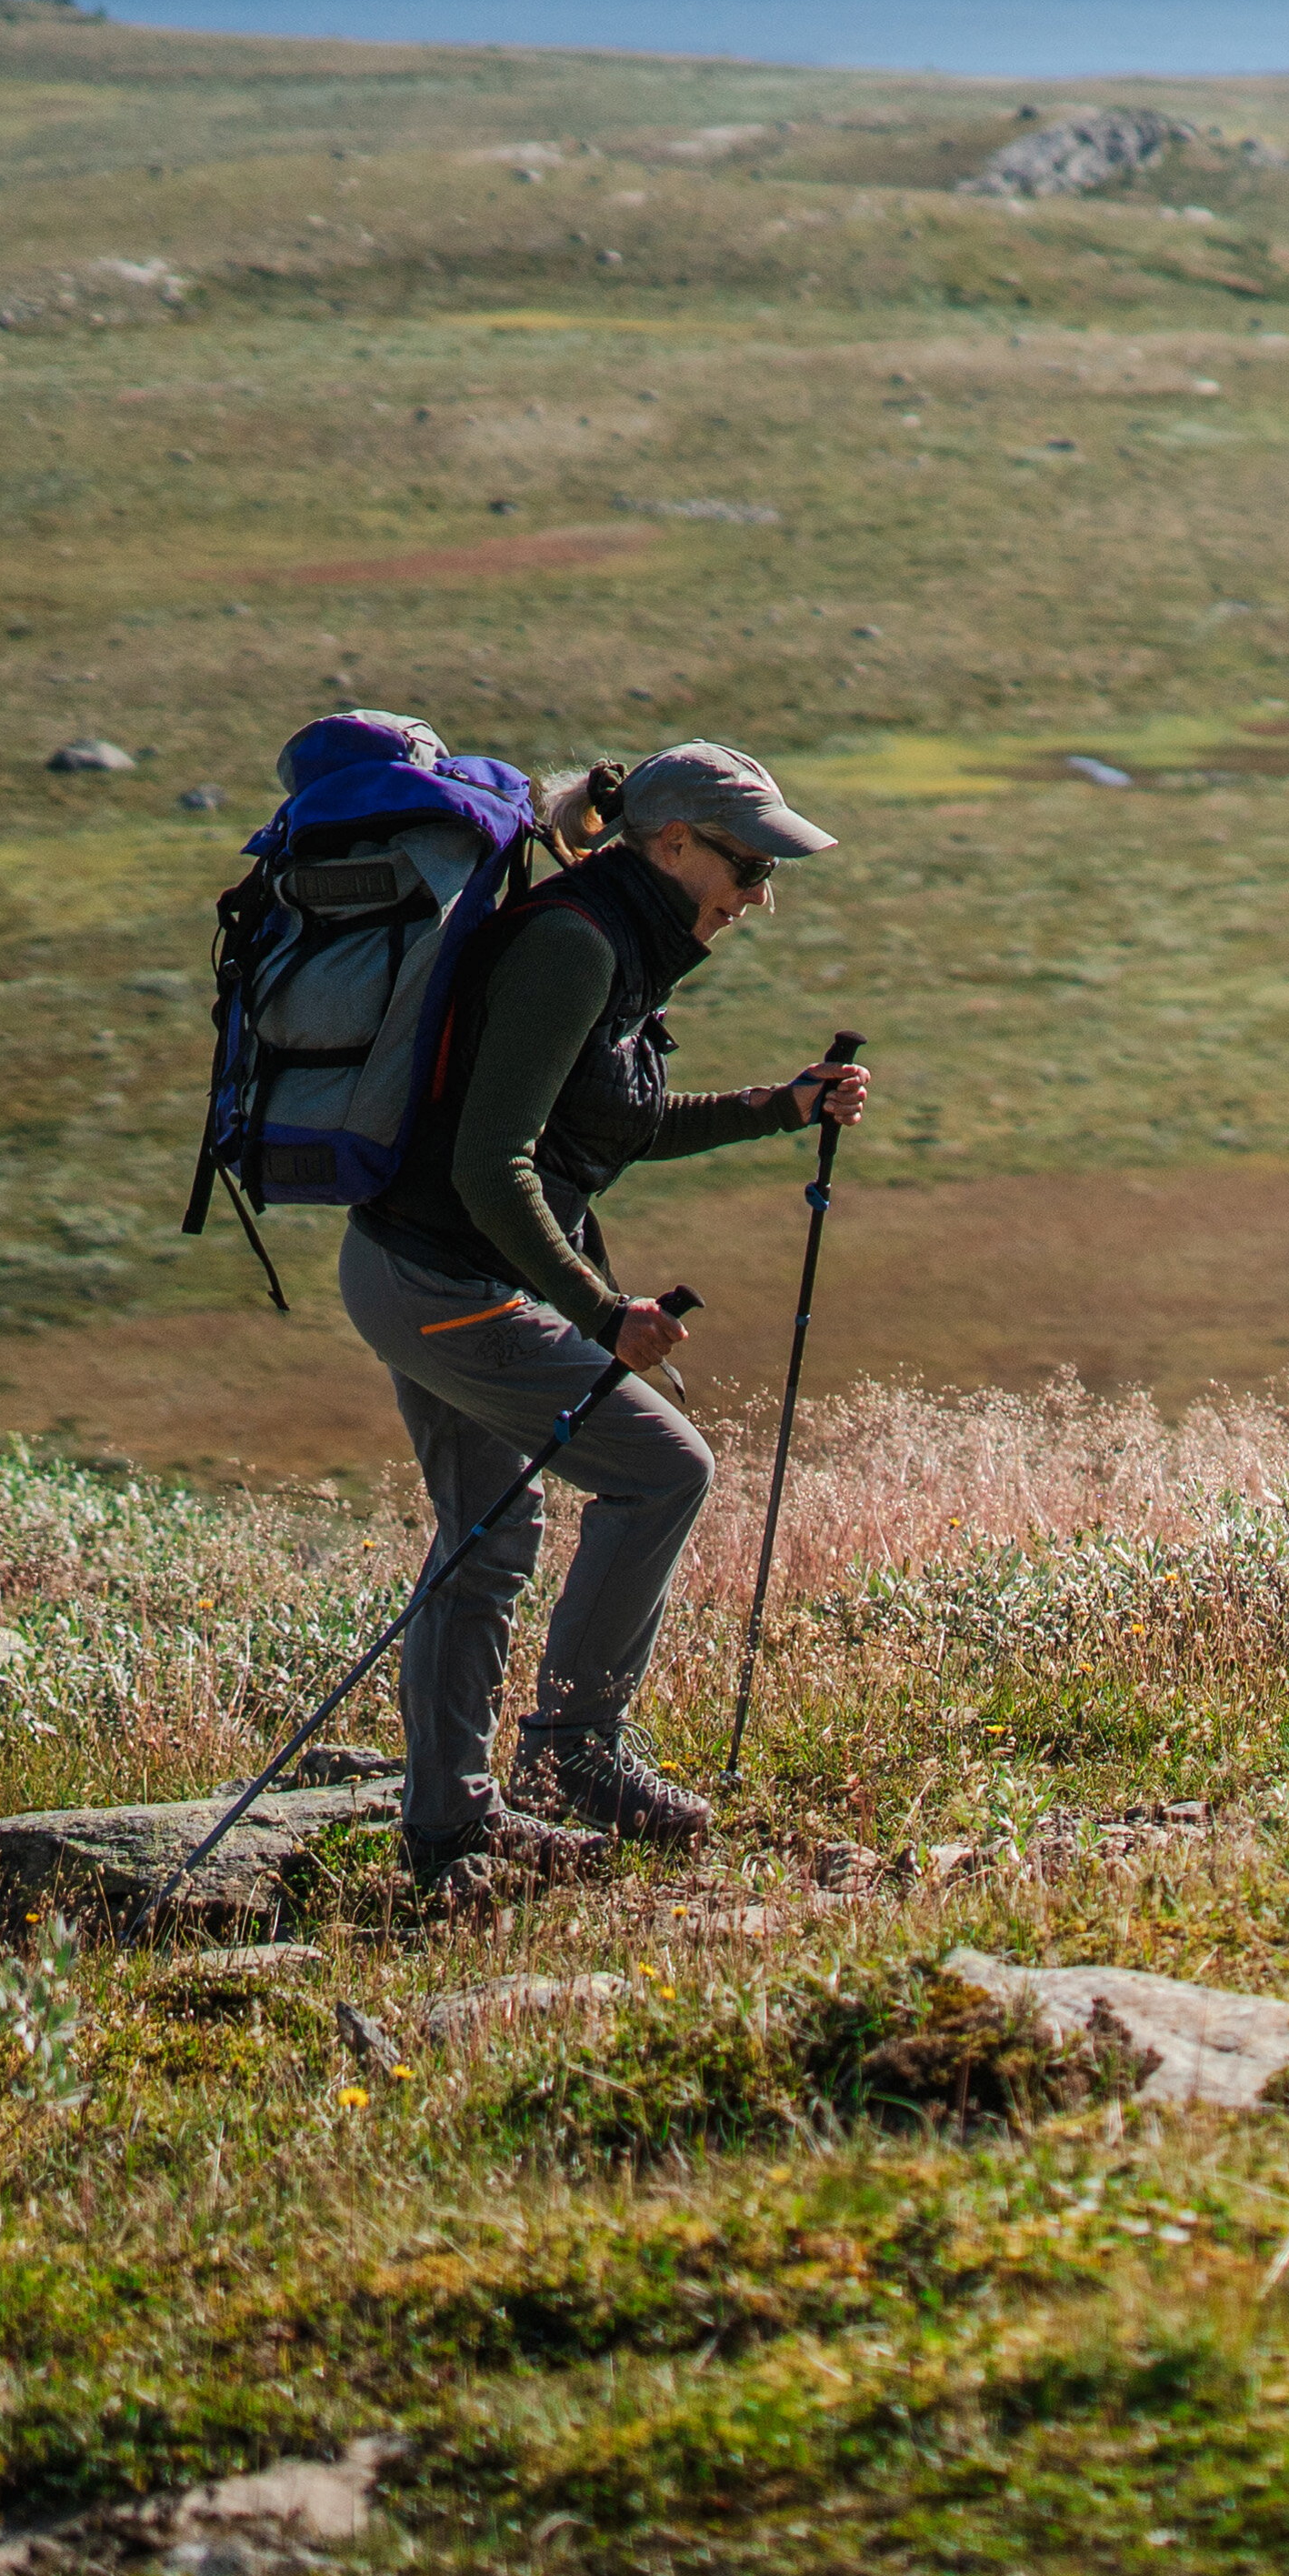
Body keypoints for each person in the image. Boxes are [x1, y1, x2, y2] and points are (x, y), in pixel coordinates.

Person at [343, 740, 871, 1892]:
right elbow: (495, 1165)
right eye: (747, 865)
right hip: (444, 1283)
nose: (758, 896)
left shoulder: (615, 942)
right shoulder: (573, 946)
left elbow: (607, 1123)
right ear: (670, 844)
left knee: (489, 1537)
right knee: (662, 1470)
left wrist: (778, 1107)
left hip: (424, 1270)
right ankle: (574, 1755)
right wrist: (598, 1311)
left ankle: (449, 1838)